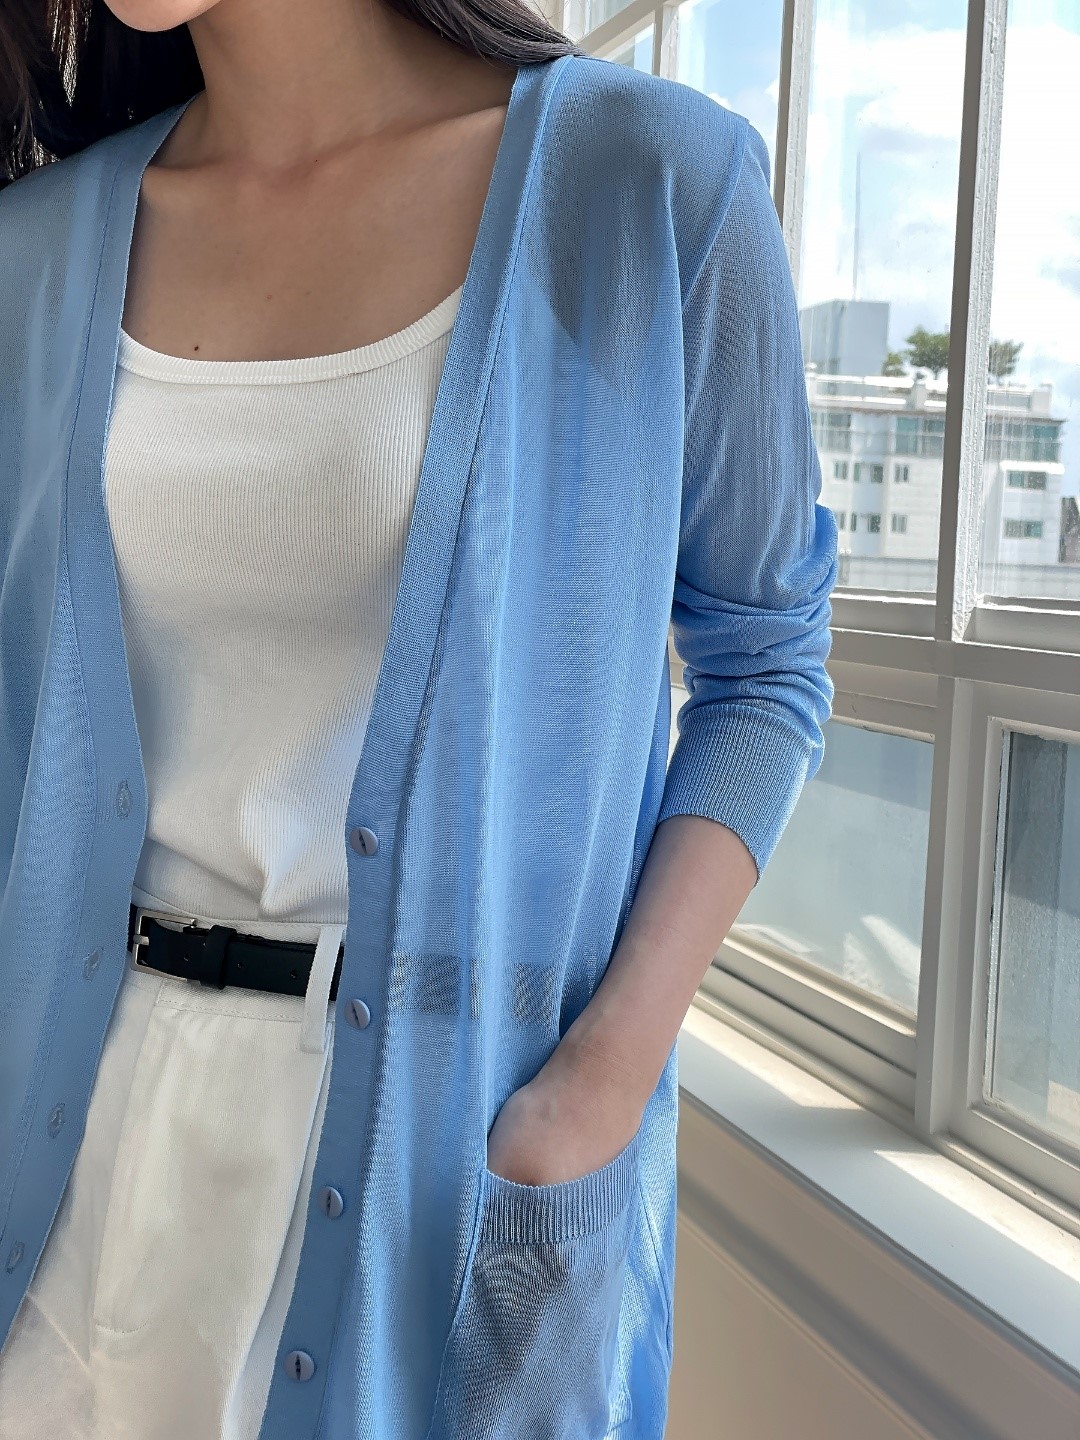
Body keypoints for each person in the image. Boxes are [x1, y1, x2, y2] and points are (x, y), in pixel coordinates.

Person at [0, 1, 838, 1437]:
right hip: (72, 1127)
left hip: (441, 1159)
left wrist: (598, 1083)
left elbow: (767, 669)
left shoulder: (648, 182)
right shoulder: (36, 249)